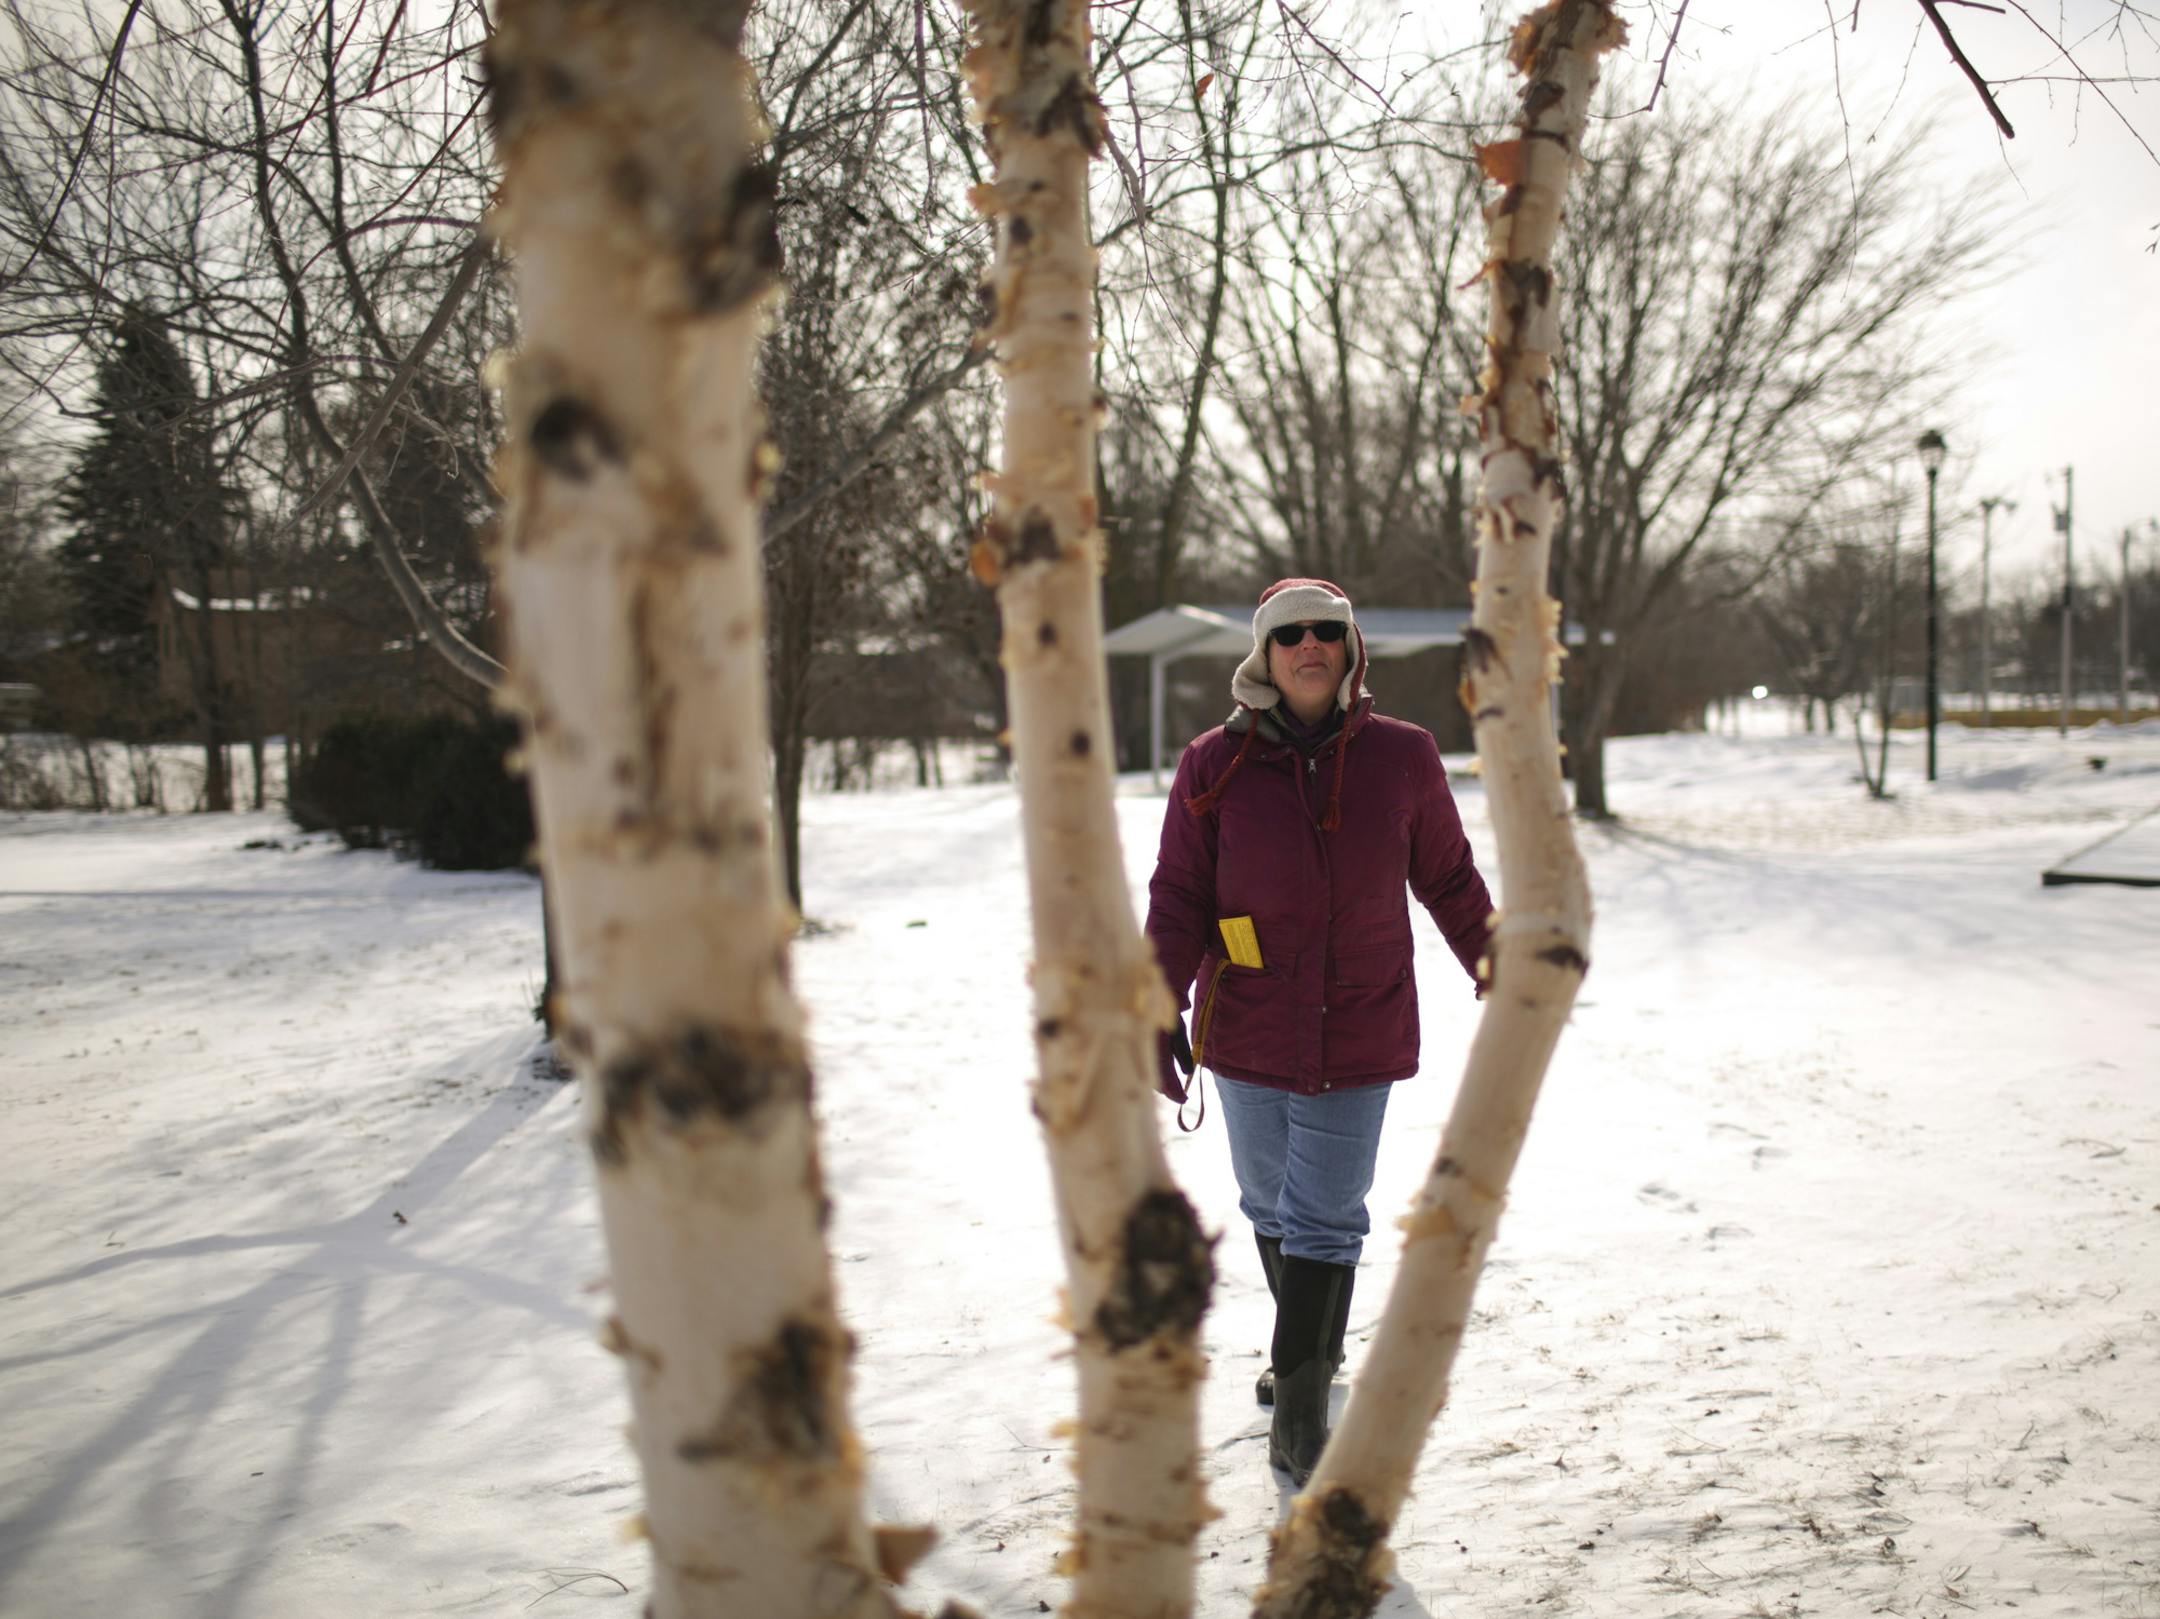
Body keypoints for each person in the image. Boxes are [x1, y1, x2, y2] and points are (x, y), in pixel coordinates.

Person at [1143, 577, 1493, 1485]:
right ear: (1265, 653)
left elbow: (1448, 876)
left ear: (1349, 649)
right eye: (1291, 633)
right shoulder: (1211, 764)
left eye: (1327, 632)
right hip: (1249, 1019)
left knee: (1325, 1219)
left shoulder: (1402, 757)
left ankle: (1299, 1415)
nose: (1310, 646)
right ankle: (1317, 1351)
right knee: (1270, 1204)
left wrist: (1498, 960)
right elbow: (1180, 893)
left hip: (1358, 1020)